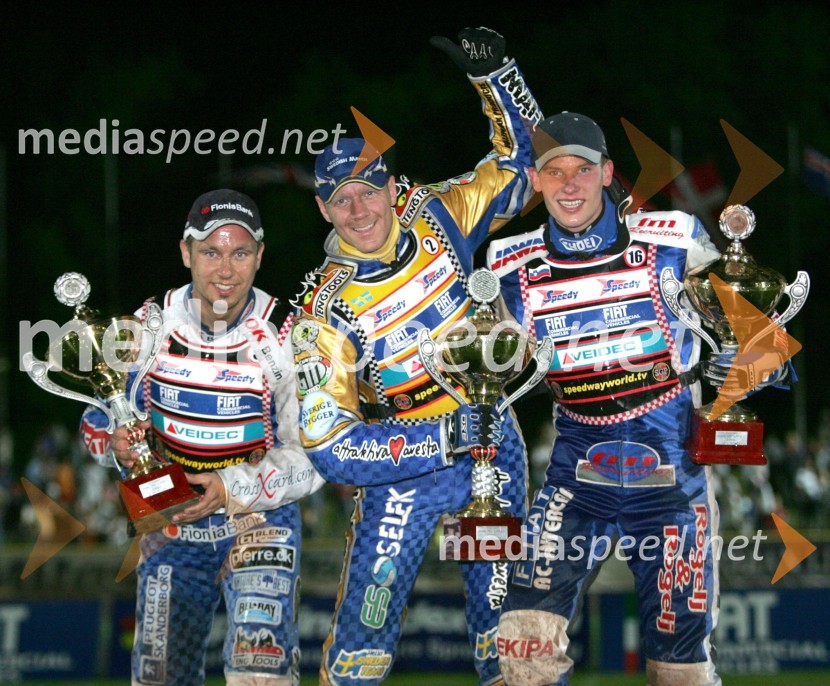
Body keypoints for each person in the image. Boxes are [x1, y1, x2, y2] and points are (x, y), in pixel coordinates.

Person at [488, 113, 790, 685]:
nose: (569, 183)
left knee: (677, 672)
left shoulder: (674, 239)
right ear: (535, 179)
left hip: (673, 481)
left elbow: (756, 334)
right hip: (575, 479)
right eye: (554, 171)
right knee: (523, 651)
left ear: (606, 173)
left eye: (582, 169)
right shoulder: (508, 266)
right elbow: (485, 369)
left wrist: (741, 361)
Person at [289, 28, 540, 686]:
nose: (359, 207)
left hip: (495, 452)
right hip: (400, 475)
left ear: (390, 185)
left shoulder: (436, 214)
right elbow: (330, 444)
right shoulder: (320, 312)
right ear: (323, 208)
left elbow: (524, 171)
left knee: (507, 633)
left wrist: (498, 80)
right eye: (341, 199)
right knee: (363, 643)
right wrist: (441, 436)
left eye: (368, 189)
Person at [81, 189, 324, 686]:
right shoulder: (147, 327)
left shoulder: (288, 337)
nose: (225, 270)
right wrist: (117, 448)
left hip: (260, 521)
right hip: (170, 523)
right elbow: (95, 422)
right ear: (186, 252)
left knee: (261, 674)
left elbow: (315, 455)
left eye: (239, 253)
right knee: (159, 676)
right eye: (211, 252)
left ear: (259, 257)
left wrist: (230, 487)